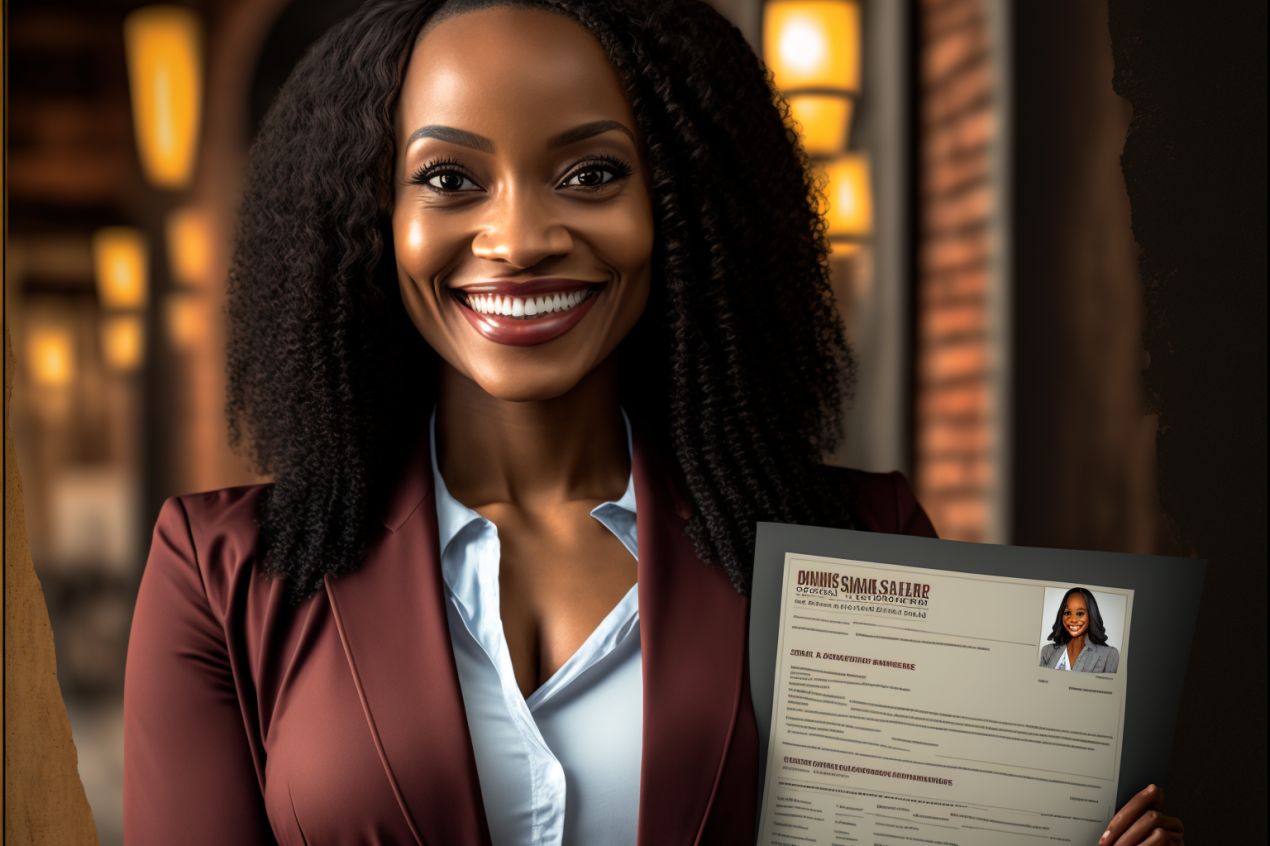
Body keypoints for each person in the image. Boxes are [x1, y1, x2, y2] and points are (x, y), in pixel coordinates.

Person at [122, 1, 1184, 844]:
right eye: (450, 178)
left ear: (684, 205)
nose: (521, 237)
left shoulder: (858, 550)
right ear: (367, 217)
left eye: (592, 173)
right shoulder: (221, 576)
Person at [1040, 586, 1121, 673]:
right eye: (1067, 613)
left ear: (1091, 615)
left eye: (1080, 613)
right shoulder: (1047, 651)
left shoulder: (1109, 655)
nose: (1073, 620)